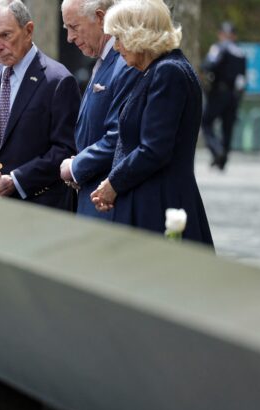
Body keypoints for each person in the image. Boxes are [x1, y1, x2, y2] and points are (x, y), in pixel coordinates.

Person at [90, 0, 213, 246]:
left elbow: (154, 148)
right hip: (150, 202)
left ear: (139, 34)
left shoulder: (169, 72)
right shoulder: (156, 70)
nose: (116, 47)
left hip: (159, 206)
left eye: (119, 38)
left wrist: (113, 184)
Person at [0, 0, 80, 211]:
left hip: (42, 209)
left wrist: (16, 180)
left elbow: (65, 149)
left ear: (28, 30)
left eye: (5, 35)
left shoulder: (58, 80)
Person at [59, 0, 139, 219]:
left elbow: (120, 136)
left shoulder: (124, 61)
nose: (70, 38)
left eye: (74, 27)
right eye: (67, 29)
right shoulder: (104, 60)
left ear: (101, 18)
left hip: (108, 201)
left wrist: (75, 167)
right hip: (93, 197)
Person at [201, 21, 247, 171]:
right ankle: (222, 160)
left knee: (206, 122)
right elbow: (242, 79)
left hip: (218, 92)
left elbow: (208, 65)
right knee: (228, 128)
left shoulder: (219, 48)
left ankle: (217, 150)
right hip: (233, 94)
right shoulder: (240, 52)